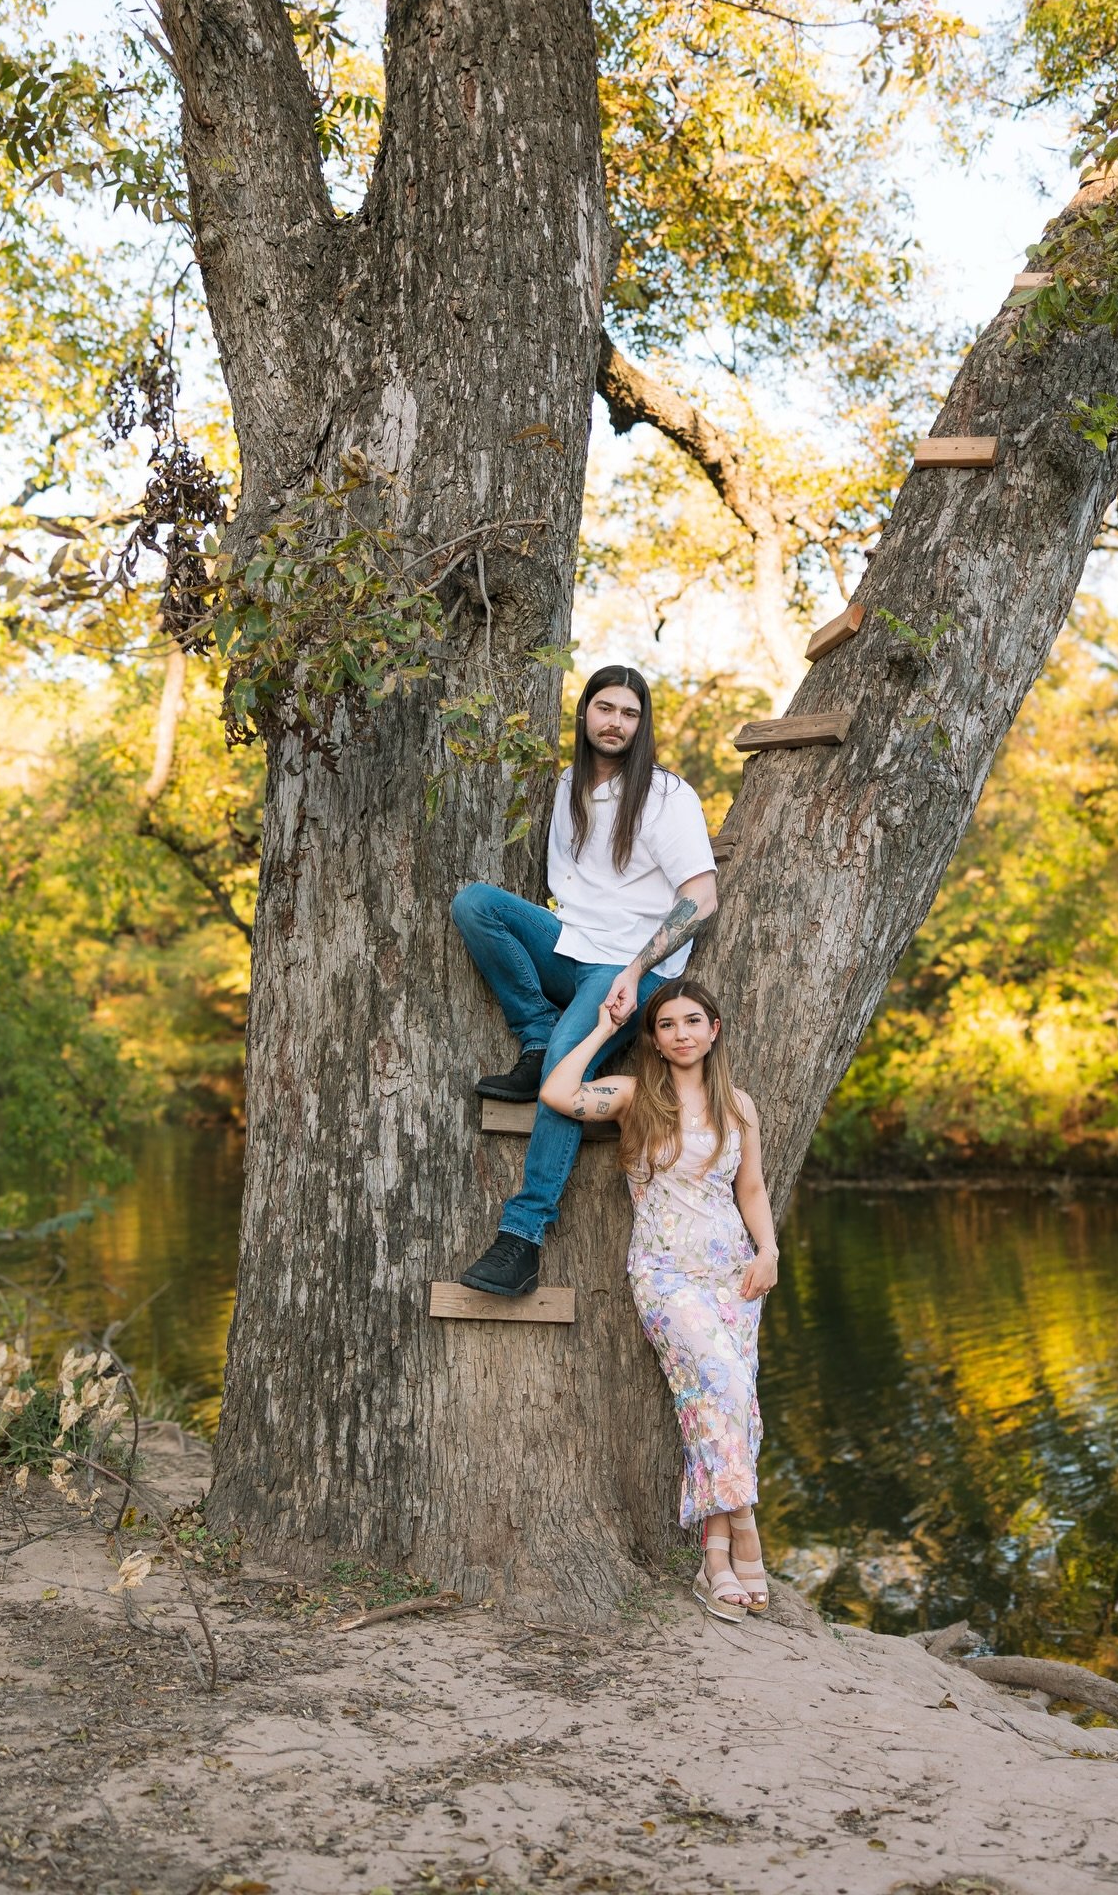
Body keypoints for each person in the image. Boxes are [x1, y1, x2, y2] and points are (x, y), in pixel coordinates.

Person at [452, 666, 717, 1299]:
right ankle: (537, 1035)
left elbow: (701, 898)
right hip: (571, 945)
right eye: (605, 709)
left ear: (640, 723)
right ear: (585, 714)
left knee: (558, 1086)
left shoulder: (665, 796)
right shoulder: (568, 785)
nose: (616, 723)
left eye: (629, 713)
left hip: (630, 965)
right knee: (475, 905)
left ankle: (523, 1238)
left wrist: (634, 970)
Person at [541, 978, 779, 1622]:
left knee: (729, 1404)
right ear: (652, 1036)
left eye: (692, 1021)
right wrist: (600, 1027)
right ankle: (747, 1529)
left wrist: (769, 1251)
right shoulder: (632, 1095)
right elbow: (557, 1093)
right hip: (665, 1275)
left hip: (734, 1275)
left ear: (714, 1029)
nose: (681, 1034)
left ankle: (715, 1556)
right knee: (724, 1384)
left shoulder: (740, 1106)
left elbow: (751, 1189)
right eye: (667, 1024)